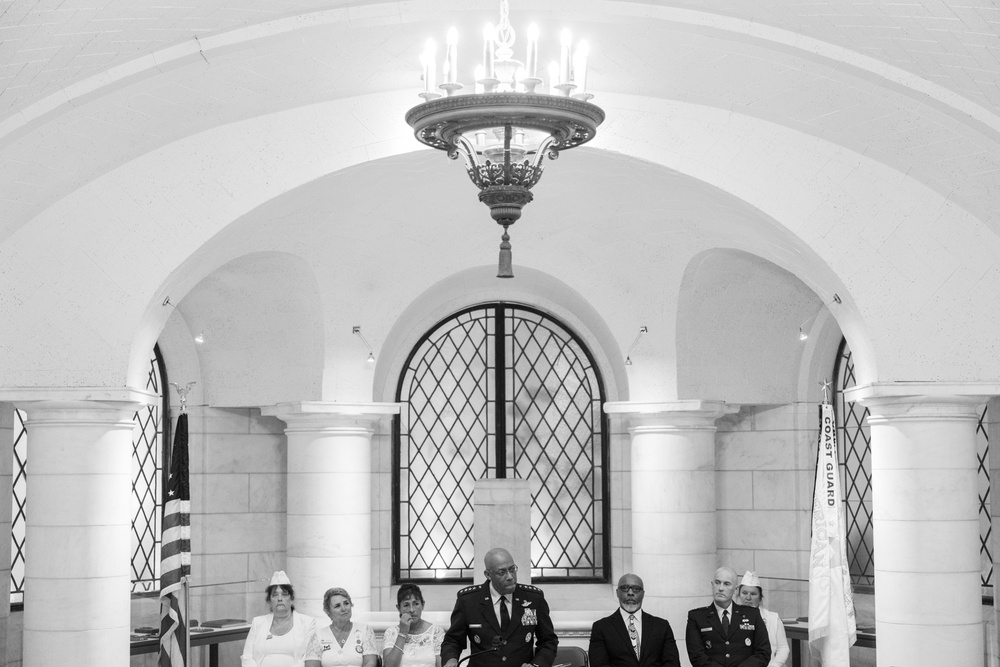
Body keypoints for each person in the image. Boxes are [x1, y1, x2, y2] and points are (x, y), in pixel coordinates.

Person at [442, 547, 558, 667]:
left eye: (512, 569)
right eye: (502, 572)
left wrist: (537, 665)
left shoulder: (533, 598)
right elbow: (452, 640)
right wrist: (451, 660)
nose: (510, 576)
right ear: (488, 575)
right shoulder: (468, 601)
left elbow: (548, 641)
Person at [588, 573, 680, 667]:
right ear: (617, 592)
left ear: (643, 594)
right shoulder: (601, 627)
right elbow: (599, 664)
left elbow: (672, 663)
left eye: (636, 589)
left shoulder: (661, 626)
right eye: (624, 588)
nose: (630, 593)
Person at [685, 566, 770, 667]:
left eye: (726, 584)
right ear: (712, 585)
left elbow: (763, 653)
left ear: (735, 589)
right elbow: (696, 656)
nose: (720, 588)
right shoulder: (697, 617)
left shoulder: (752, 614)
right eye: (717, 583)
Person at [241, 570, 322, 667]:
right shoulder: (258, 622)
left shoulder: (307, 623)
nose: (280, 598)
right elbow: (247, 657)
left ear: (291, 599)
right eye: (275, 595)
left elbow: (308, 658)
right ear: (269, 600)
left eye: (284, 594)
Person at [308, 587, 379, 667]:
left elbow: (370, 663)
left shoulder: (365, 631)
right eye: (337, 606)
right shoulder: (318, 636)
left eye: (346, 603)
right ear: (328, 612)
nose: (344, 609)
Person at [382, 583, 446, 667]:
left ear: (423, 605)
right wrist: (402, 633)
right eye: (406, 605)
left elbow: (441, 664)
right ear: (399, 608)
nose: (412, 610)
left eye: (416, 604)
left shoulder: (436, 632)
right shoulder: (391, 632)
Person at [736, 572, 789, 667]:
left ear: (760, 597)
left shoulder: (773, 618)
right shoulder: (731, 618)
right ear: (738, 594)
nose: (748, 598)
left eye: (753, 594)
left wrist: (774, 665)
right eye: (744, 593)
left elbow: (783, 648)